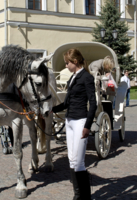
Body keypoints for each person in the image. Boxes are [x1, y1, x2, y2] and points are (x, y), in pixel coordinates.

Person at [52, 49, 97, 200]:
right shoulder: (72, 77)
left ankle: (85, 197)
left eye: (67, 63)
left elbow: (93, 104)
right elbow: (66, 103)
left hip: (80, 122)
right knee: (71, 159)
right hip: (69, 121)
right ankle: (78, 195)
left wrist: (87, 126)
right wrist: (52, 110)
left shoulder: (87, 77)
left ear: (75, 62)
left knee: (79, 162)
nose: (66, 65)